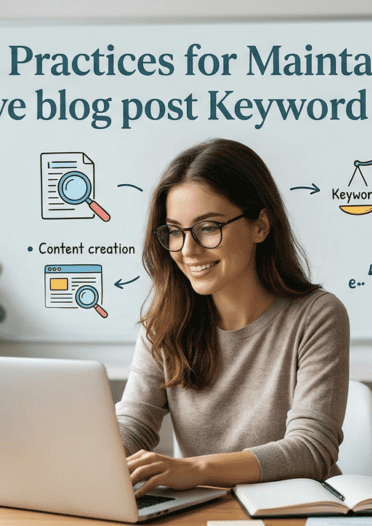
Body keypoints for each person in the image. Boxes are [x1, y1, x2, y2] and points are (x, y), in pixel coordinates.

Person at [117, 138, 350, 499]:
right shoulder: (164, 322)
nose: (188, 250)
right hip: (204, 513)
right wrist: (99, 455)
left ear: (260, 226)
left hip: (299, 512)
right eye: (175, 232)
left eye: (208, 227)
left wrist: (195, 470)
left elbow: (311, 451)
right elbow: (133, 425)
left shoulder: (317, 315)